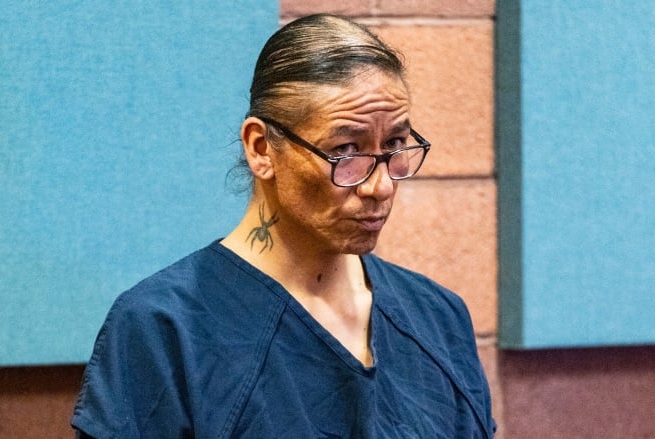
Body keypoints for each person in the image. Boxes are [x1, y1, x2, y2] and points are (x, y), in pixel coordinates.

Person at [71, 13, 495, 438]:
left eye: (395, 145)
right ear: (261, 148)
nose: (380, 185)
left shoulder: (438, 317)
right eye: (346, 150)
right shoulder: (164, 330)